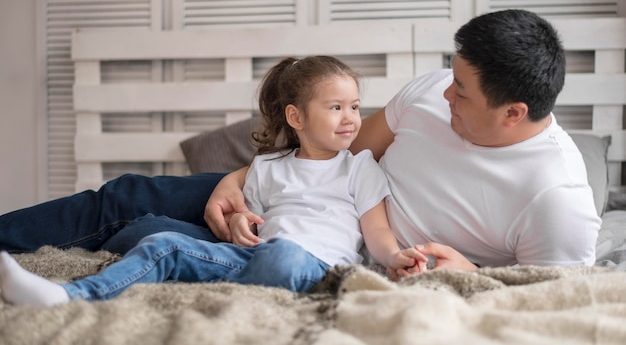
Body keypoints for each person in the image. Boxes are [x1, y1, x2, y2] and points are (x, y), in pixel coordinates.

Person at [0, 9, 601, 271]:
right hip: (305, 193)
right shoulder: (432, 92)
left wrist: (466, 267)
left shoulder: (557, 201)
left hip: (344, 248)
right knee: (129, 194)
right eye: (452, 75)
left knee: (151, 240)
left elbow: (547, 295)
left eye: (463, 91)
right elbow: (345, 148)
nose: (447, 93)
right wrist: (236, 183)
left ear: (514, 112)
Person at [0, 56, 426, 306]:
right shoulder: (267, 168)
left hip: (311, 264)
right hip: (253, 258)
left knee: (282, 259)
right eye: (336, 107)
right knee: (159, 243)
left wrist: (394, 259)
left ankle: (221, 288)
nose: (352, 117)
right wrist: (242, 223)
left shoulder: (359, 167)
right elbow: (249, 220)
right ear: (296, 117)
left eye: (355, 105)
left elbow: (376, 232)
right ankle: (70, 297)